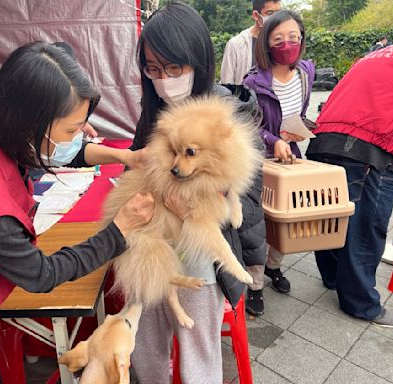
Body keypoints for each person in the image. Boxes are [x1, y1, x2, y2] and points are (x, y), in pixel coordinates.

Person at [0, 41, 159, 384]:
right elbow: (41, 275)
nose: (78, 137)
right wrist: (119, 229)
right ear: (31, 122)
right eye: (72, 130)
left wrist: (124, 157)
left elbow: (51, 151)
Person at [129, 2, 266, 382]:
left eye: (175, 68)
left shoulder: (228, 114)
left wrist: (195, 206)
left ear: (199, 62)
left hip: (204, 256)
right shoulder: (154, 109)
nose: (164, 78)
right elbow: (140, 165)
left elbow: (250, 203)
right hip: (155, 242)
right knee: (144, 336)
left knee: (196, 346)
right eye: (153, 69)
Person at [305, 41, 393, 328]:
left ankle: (332, 277)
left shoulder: (380, 55)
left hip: (324, 140)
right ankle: (360, 303)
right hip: (370, 148)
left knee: (329, 215)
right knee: (365, 228)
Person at [243, 10, 315, 294]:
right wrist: (274, 140)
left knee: (287, 218)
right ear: (266, 43)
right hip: (261, 160)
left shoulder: (305, 73)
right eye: (279, 39)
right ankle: (255, 284)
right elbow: (248, 126)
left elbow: (301, 112)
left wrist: (299, 131)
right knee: (257, 224)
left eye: (293, 37)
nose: (287, 44)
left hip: (290, 157)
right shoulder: (254, 81)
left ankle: (274, 266)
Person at [220, 0, 281, 85]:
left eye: (278, 13)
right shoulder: (235, 44)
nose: (275, 18)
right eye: (270, 13)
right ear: (256, 15)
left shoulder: (281, 43)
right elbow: (226, 84)